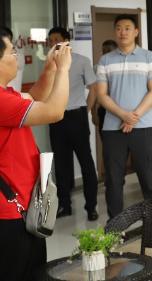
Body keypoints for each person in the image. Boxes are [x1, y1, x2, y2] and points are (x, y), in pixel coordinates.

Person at [0, 27, 72, 281]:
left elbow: (34, 97)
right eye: (12, 53)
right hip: (8, 213)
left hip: (19, 208)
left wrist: (49, 69)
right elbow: (54, 111)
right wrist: (64, 70)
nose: (17, 57)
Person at [95, 15, 152, 220]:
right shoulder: (105, 60)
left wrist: (134, 116)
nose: (122, 32)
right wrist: (122, 114)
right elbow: (101, 95)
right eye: (118, 28)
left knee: (149, 179)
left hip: (144, 126)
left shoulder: (149, 57)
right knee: (114, 181)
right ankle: (115, 228)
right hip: (112, 128)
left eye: (127, 28)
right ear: (114, 32)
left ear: (136, 32)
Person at [46, 27, 99, 221]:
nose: (54, 43)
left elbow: (93, 88)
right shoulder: (49, 64)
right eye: (51, 40)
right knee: (61, 163)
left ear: (66, 41)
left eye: (57, 39)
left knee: (85, 161)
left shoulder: (81, 61)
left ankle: (91, 206)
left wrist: (86, 110)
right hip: (55, 118)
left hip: (77, 116)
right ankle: (64, 205)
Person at [91, 40, 118, 133]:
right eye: (103, 51)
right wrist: (94, 113)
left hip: (120, 109)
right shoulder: (96, 68)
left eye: (109, 51)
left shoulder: (122, 67)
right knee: (105, 138)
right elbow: (93, 92)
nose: (106, 53)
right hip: (103, 110)